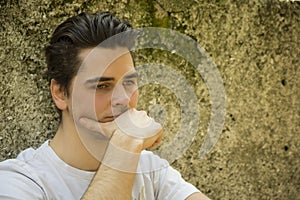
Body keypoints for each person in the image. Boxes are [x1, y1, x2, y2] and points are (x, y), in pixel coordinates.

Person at [0, 12, 210, 199]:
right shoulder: (20, 182)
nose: (123, 100)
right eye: (102, 85)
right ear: (60, 93)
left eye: (129, 83)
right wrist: (126, 144)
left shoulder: (149, 169)